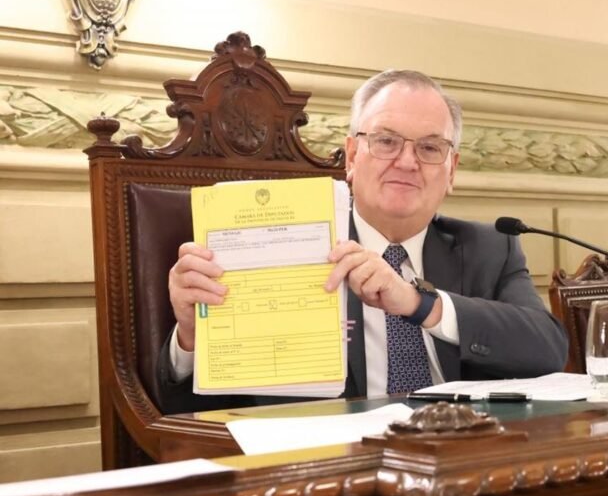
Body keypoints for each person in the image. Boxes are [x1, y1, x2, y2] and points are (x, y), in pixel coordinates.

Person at [157, 70, 568, 413]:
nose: (407, 162)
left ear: (451, 170)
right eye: (386, 141)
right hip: (329, 465)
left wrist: (419, 303)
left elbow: (548, 349)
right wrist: (193, 337)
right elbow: (188, 413)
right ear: (352, 156)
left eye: (429, 147)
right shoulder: (273, 247)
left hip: (461, 458)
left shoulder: (491, 248)